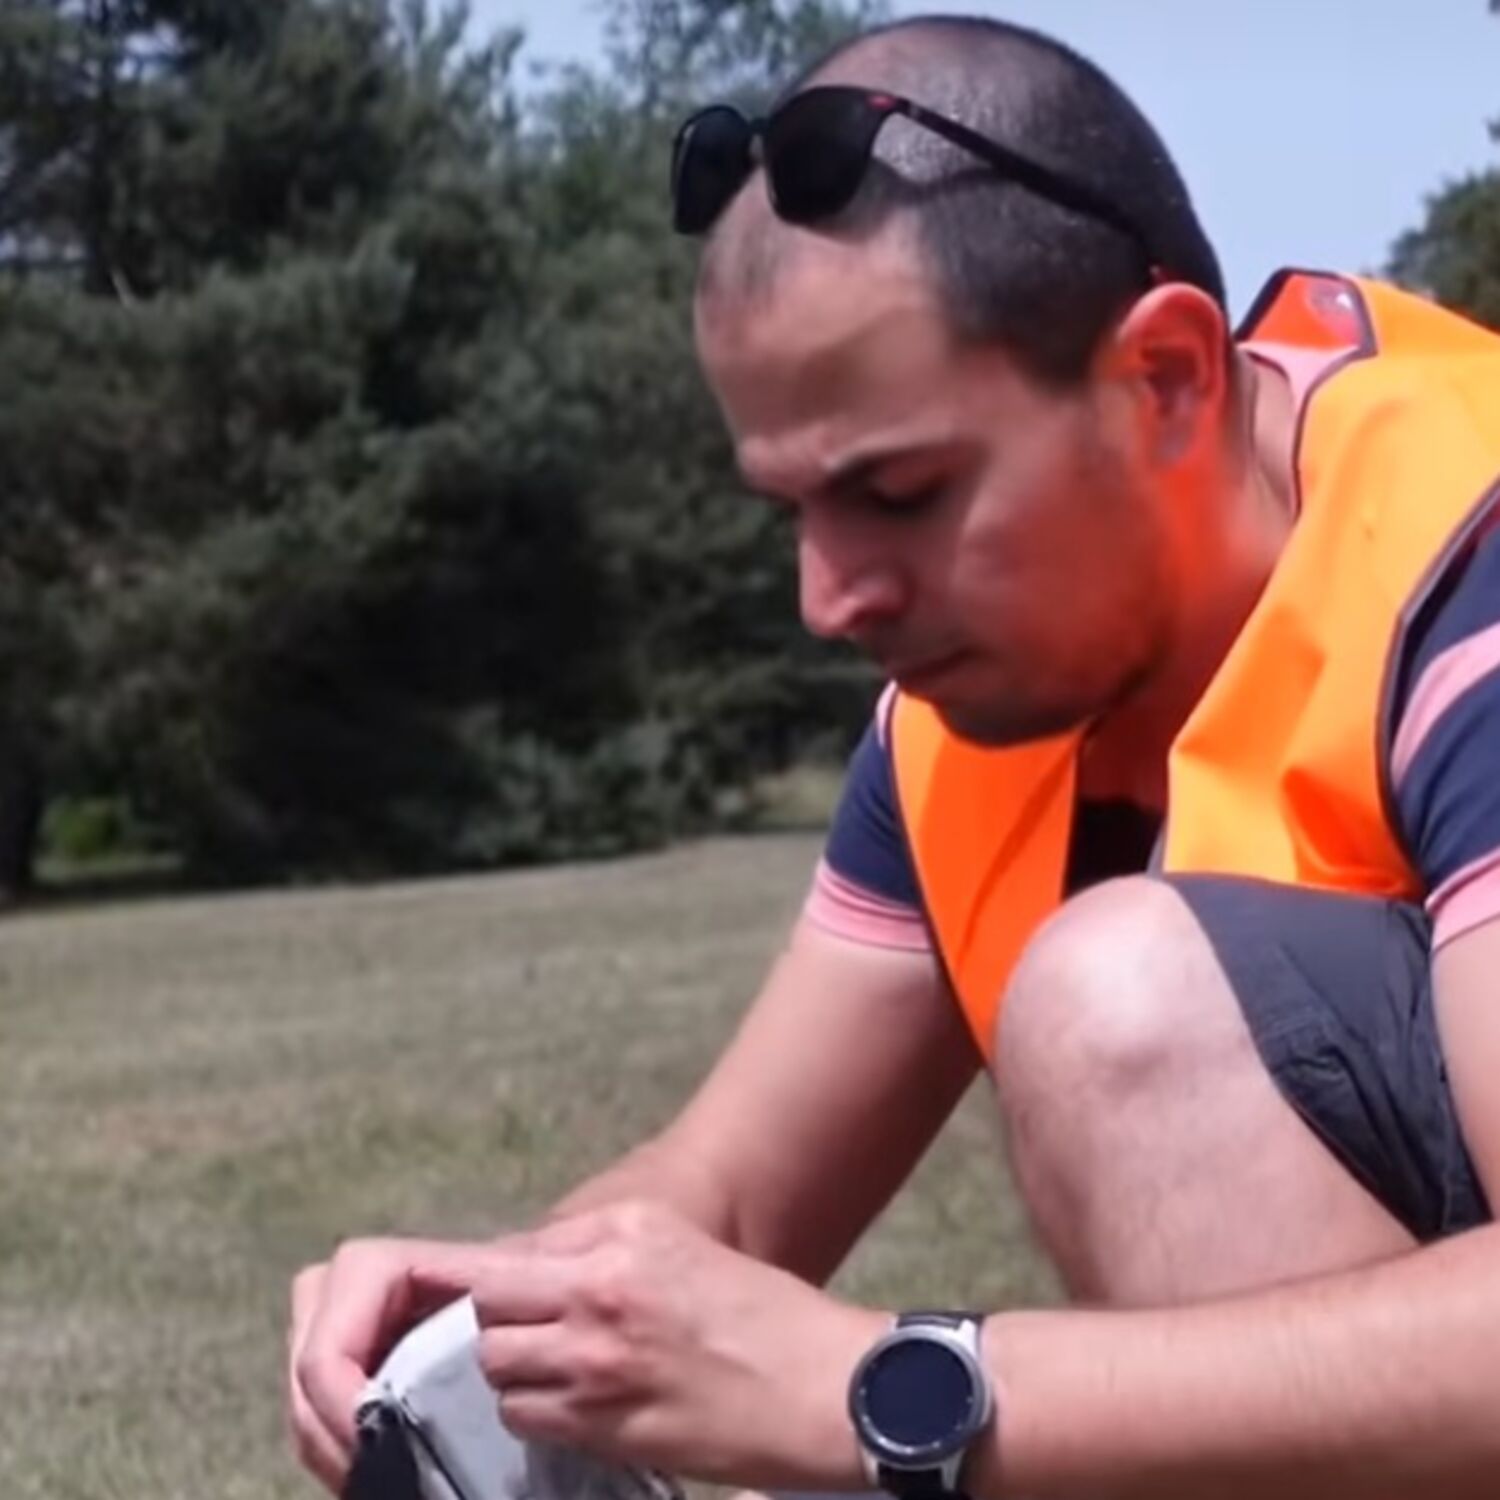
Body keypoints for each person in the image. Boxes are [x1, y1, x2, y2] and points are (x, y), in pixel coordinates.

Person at [288, 14, 1500, 1497]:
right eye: (792, 511)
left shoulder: (1466, 559)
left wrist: (885, 1391)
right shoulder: (973, 700)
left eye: (904, 492)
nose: (828, 598)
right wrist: (487, 1330)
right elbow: (727, 1199)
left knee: (1127, 1009)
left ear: (1170, 377)